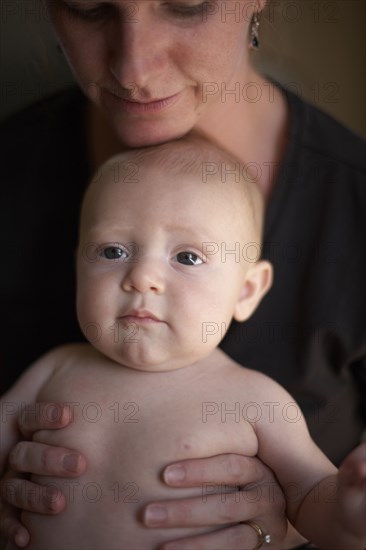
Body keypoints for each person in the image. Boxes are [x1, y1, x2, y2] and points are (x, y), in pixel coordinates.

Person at [0, 0, 365, 548]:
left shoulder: (255, 401)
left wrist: (327, 516)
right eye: (87, 6)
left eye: (187, 4)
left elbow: (317, 495)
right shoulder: (53, 371)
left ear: (249, 289)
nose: (134, 69)